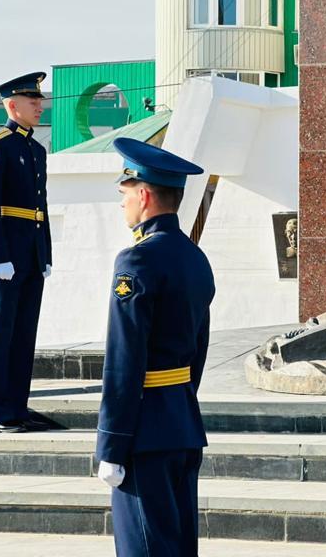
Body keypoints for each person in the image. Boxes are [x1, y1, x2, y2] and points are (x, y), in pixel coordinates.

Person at [96, 137, 214, 557]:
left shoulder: (137, 261)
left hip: (143, 435)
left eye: (125, 195)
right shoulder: (194, 258)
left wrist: (111, 444)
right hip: (181, 423)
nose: (123, 205)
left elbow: (124, 360)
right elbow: (198, 347)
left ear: (144, 195)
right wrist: (178, 402)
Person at [0, 71, 52, 433]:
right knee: (0, 332)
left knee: (24, 334)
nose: (40, 105)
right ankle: (0, 410)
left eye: (39, 100)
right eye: (31, 100)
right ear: (11, 105)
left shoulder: (35, 150)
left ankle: (18, 406)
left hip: (30, 254)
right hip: (4, 257)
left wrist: (45, 253)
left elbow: (40, 206)